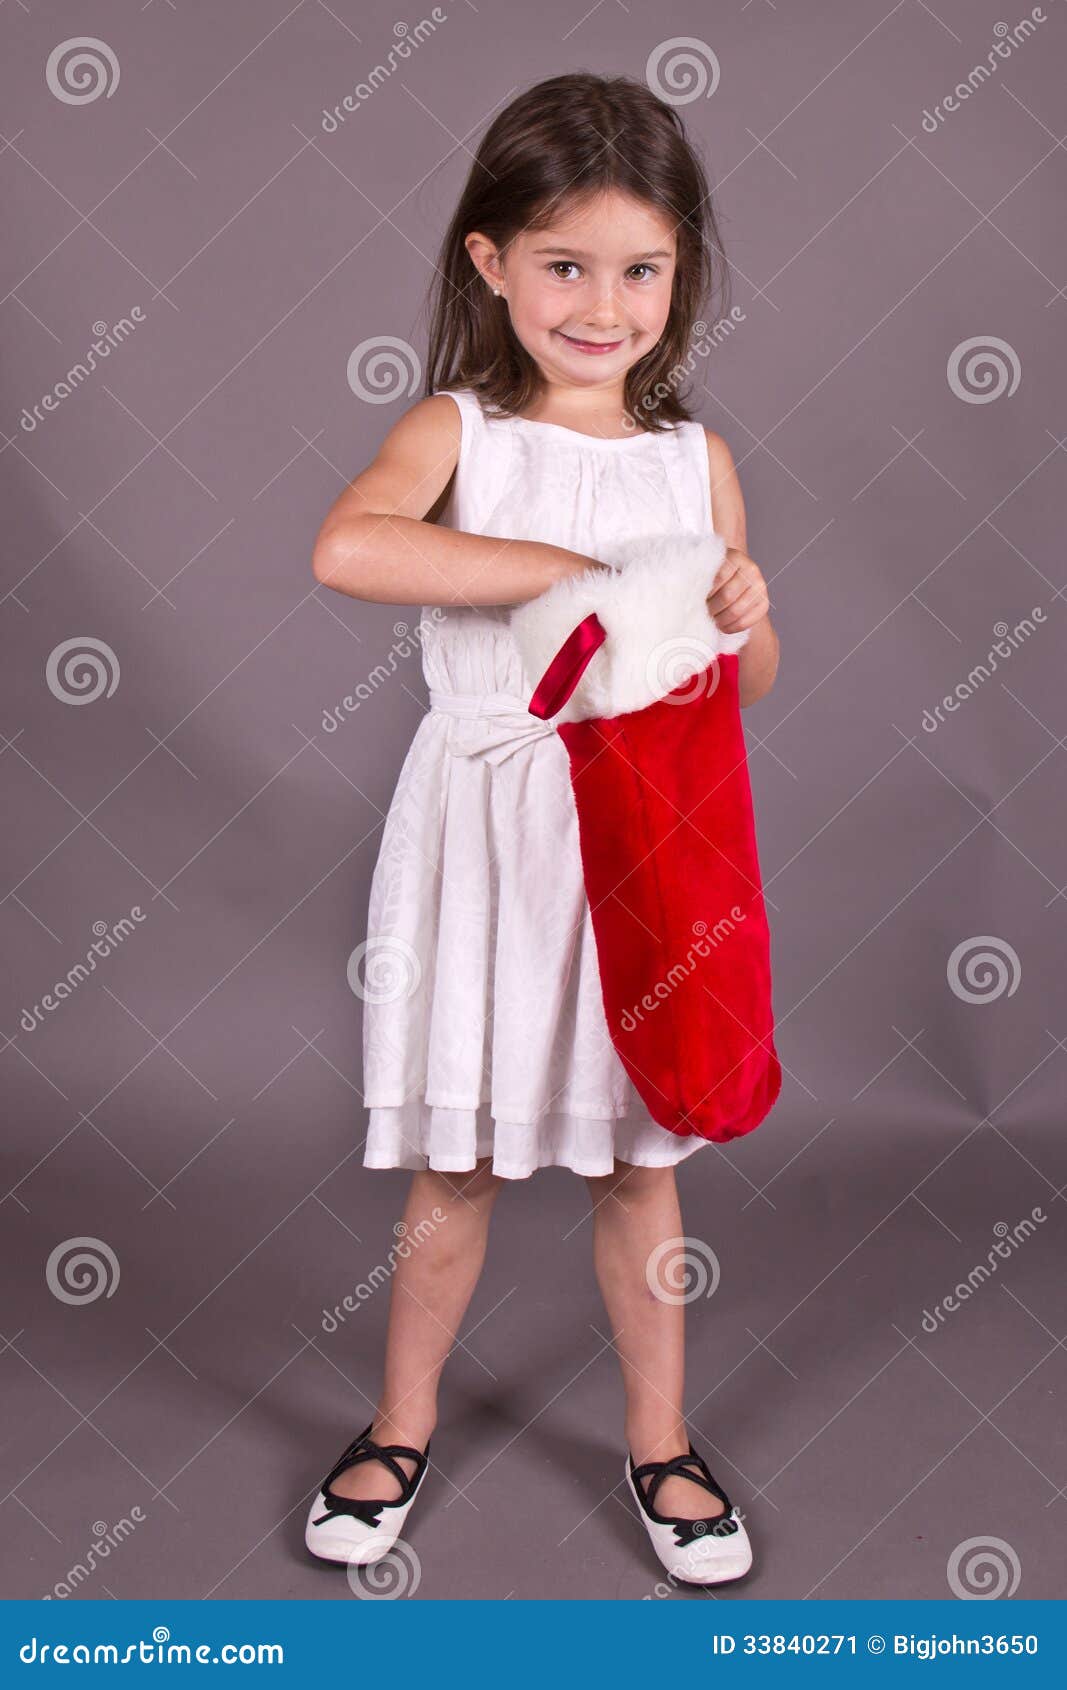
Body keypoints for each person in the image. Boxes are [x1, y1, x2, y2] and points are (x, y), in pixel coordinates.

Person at [303, 71, 779, 1587]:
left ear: (680, 274)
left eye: (640, 268)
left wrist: (744, 611)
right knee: (459, 1164)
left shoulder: (692, 460)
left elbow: (740, 678)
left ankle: (659, 1440)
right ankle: (399, 1421)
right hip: (488, 828)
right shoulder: (461, 429)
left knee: (640, 1160)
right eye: (563, 264)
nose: (602, 303)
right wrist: (556, 562)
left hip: (636, 840)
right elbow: (348, 546)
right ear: (489, 261)